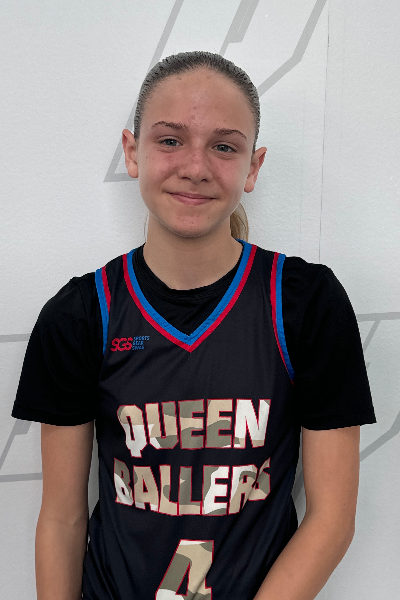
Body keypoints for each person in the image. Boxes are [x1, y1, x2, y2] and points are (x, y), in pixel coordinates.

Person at [11, 51, 376, 600]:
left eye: (224, 147)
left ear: (253, 167)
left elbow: (332, 518)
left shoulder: (305, 304)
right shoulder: (81, 315)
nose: (196, 166)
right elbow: (62, 519)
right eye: (170, 140)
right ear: (132, 152)